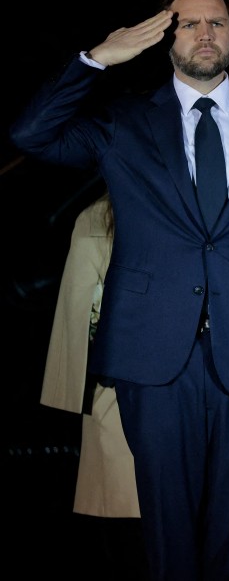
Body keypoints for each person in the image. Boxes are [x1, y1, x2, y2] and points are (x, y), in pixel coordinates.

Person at [11, 0, 229, 580]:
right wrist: (95, 59)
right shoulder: (123, 123)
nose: (205, 34)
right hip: (151, 354)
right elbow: (29, 134)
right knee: (165, 535)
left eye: (217, 22)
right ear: (164, 36)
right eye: (188, 23)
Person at [40, 191, 146, 578]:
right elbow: (78, 314)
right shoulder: (98, 218)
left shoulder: (101, 216)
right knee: (135, 537)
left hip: (133, 395)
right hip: (123, 396)